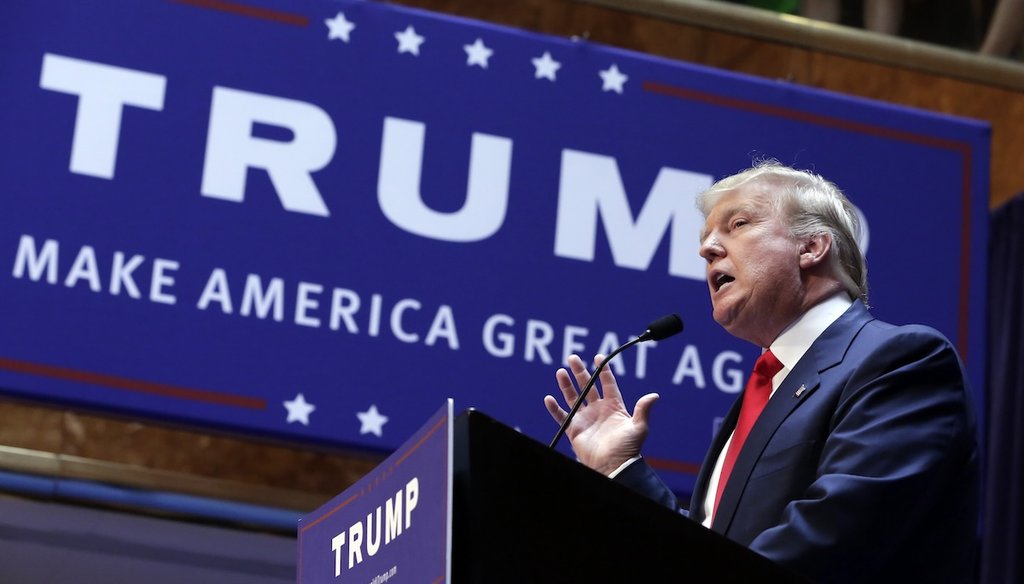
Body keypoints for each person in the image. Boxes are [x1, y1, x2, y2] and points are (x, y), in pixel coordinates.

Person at [544, 161, 980, 583]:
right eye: (705, 238)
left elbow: (827, 543)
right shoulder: (769, 387)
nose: (706, 248)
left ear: (811, 247)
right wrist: (620, 468)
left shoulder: (901, 360)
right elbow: (708, 550)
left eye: (737, 225)